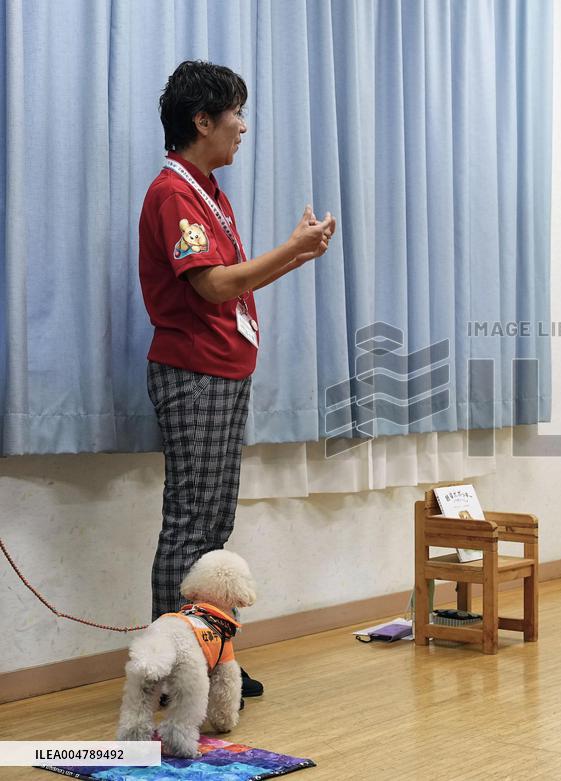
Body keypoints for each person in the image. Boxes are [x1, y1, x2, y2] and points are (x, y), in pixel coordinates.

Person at [138, 60, 335, 699]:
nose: (243, 128)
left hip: (221, 369)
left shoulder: (207, 190)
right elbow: (212, 285)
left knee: (213, 524)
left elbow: (230, 286)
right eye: (235, 115)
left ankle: (208, 658)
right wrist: (292, 249)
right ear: (202, 121)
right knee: (190, 523)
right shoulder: (173, 193)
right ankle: (169, 670)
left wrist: (293, 255)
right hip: (194, 373)